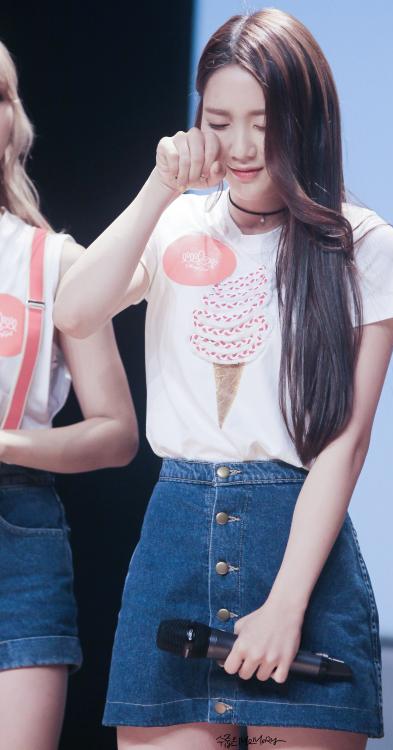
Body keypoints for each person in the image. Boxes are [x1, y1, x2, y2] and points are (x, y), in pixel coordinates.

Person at [54, 8, 393, 750]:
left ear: (308, 120)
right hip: (174, 544)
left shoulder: (363, 244)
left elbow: (346, 445)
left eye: (266, 121)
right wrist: (160, 187)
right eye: (220, 122)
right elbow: (74, 310)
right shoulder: (176, 223)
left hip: (300, 556)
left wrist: (287, 605)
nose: (243, 146)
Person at [0, 40, 139, 750]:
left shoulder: (52, 260)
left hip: (17, 529)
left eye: (0, 96)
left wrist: (5, 443)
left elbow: (116, 432)